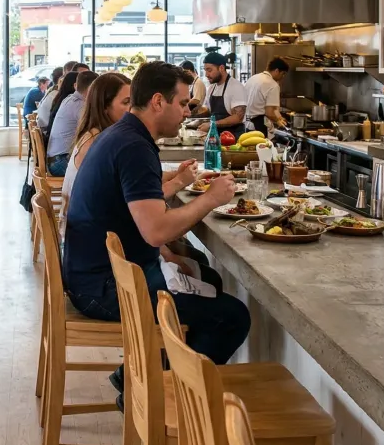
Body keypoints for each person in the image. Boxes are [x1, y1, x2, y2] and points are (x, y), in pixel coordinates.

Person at [63, 62, 251, 402]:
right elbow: (155, 231)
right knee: (232, 317)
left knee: (208, 277)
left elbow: (139, 208)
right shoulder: (134, 146)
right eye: (182, 104)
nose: (186, 112)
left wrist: (179, 185)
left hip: (94, 274)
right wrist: (211, 199)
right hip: (103, 288)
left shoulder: (125, 136)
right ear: (158, 102)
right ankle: (164, 399)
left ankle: (141, 378)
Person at [59, 72, 131, 232]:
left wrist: (175, 176)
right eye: (126, 102)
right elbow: (131, 195)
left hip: (78, 227)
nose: (132, 108)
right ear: (105, 107)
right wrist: (179, 182)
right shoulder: (100, 142)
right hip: (86, 236)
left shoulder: (93, 133)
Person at [46, 70, 98, 176]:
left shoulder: (69, 99)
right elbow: (95, 130)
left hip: (55, 159)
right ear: (92, 88)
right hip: (60, 161)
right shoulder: (81, 106)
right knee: (102, 172)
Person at [195, 51, 246, 131]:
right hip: (216, 135)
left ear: (221, 68)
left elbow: (238, 117)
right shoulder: (212, 88)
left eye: (209, 70)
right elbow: (208, 110)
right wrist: (191, 115)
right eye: (205, 70)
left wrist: (212, 124)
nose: (206, 74)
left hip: (233, 137)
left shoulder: (236, 87)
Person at [245, 57, 290, 134]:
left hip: (246, 124)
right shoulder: (273, 85)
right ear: (276, 71)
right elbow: (269, 112)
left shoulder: (253, 78)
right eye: (283, 74)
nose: (283, 77)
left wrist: (279, 117)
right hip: (259, 126)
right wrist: (278, 121)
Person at [46, 71, 80, 135]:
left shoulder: (61, 98)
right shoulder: (71, 101)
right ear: (75, 85)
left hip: (51, 138)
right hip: (53, 140)